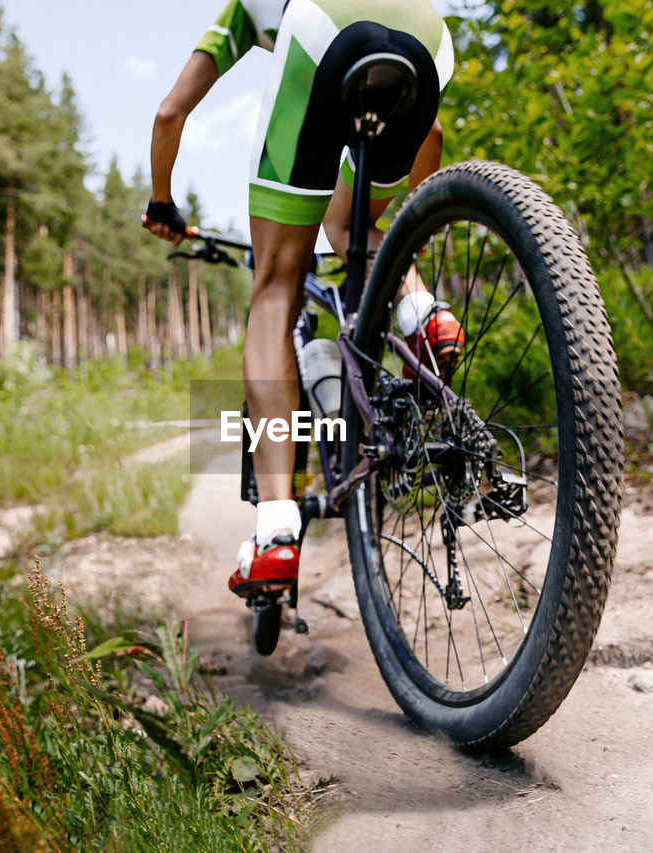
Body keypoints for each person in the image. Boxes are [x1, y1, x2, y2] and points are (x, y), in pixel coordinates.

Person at [143, 0, 463, 600]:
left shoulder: (245, 9)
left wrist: (163, 204)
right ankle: (419, 306)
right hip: (427, 35)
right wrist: (421, 220)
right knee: (350, 229)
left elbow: (168, 113)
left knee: (276, 285)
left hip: (320, 31)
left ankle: (275, 528)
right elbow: (434, 136)